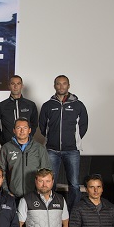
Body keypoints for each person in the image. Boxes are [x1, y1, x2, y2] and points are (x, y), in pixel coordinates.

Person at [39, 75, 89, 209]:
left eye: (64, 84)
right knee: (50, 182)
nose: (61, 86)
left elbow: (83, 126)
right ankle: (52, 209)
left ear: (69, 85)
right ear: (54, 86)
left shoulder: (78, 105)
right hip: (51, 150)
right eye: (58, 84)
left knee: (74, 183)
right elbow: (43, 127)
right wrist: (52, 139)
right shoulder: (47, 105)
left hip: (72, 150)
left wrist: (72, 141)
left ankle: (74, 212)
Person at [0, 118, 51, 199]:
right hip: (13, 196)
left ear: (29, 130)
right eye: (18, 128)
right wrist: (6, 191)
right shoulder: (6, 148)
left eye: (25, 128)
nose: (22, 131)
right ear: (14, 130)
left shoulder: (39, 148)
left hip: (34, 195)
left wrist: (40, 192)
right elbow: (1, 172)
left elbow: (46, 172)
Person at [0, 75, 39, 146]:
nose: (15, 87)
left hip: (26, 145)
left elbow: (34, 123)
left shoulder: (30, 105)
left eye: (18, 84)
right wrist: (2, 140)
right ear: (9, 86)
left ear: (22, 86)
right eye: (13, 84)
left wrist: (29, 136)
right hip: (8, 144)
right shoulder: (0, 106)